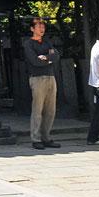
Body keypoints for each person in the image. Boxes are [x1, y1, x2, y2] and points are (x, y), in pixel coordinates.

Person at [23, 17, 60, 150]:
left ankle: (46, 137)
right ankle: (36, 138)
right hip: (37, 78)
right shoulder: (28, 44)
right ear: (32, 29)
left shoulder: (47, 41)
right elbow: (34, 61)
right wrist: (49, 59)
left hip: (50, 76)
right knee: (37, 109)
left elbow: (56, 55)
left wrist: (46, 58)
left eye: (43, 26)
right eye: (39, 27)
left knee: (51, 110)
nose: (42, 29)